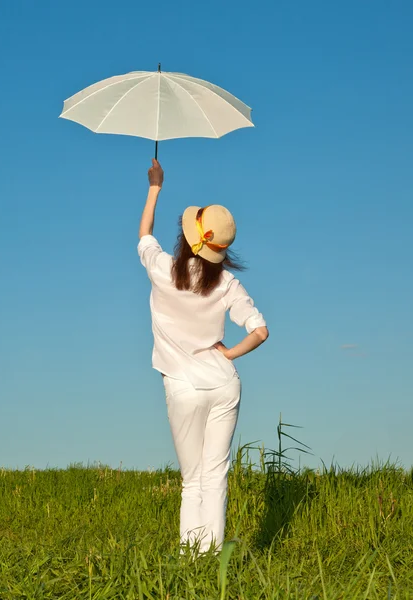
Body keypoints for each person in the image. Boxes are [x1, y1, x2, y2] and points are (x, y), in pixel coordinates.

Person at [137, 159, 269, 554]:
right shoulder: (228, 282)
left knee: (192, 479)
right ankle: (212, 561)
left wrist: (155, 186)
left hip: (183, 386)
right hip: (224, 381)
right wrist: (228, 353)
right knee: (216, 477)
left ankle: (190, 561)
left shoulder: (163, 269)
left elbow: (144, 236)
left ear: (188, 236)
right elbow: (260, 330)